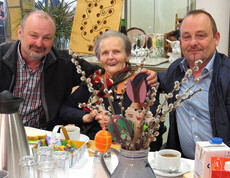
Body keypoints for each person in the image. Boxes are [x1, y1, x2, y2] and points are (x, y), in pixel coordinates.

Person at [0, 10, 157, 131]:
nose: (39, 43)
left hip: (43, 135)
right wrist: (85, 116)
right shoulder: (2, 57)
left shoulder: (66, 63)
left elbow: (111, 72)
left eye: (47, 38)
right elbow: (67, 108)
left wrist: (157, 78)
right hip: (4, 132)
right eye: (33, 35)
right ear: (20, 33)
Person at [59, 30, 165, 151]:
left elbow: (155, 124)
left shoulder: (141, 81)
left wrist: (115, 124)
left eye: (116, 52)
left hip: (129, 153)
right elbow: (64, 109)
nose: (110, 57)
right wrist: (86, 117)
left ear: (127, 55)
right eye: (105, 53)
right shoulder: (95, 82)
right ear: (99, 58)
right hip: (93, 150)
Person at [157, 9, 230, 159]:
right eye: (186, 37)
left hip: (221, 167)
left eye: (201, 36)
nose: (193, 43)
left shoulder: (227, 75)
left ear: (216, 38)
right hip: (182, 165)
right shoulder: (176, 70)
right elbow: (163, 80)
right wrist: (151, 76)